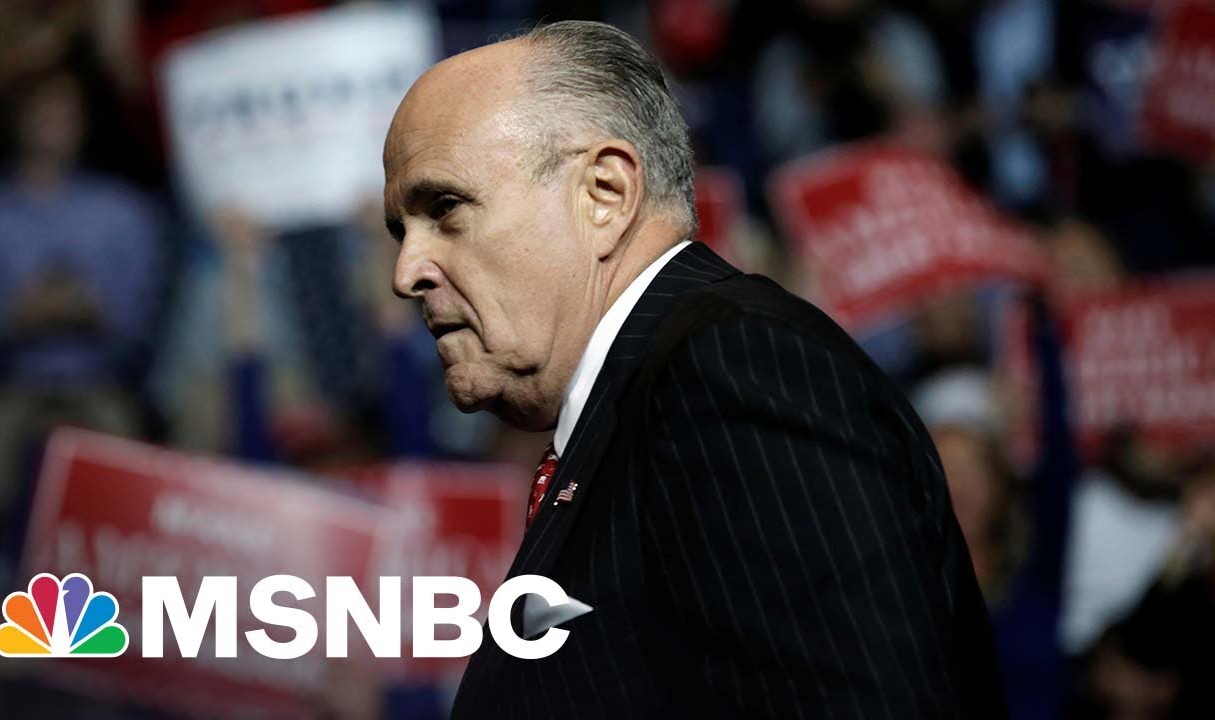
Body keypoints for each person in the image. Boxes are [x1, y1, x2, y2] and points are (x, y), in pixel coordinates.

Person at [382, 20, 1004, 718]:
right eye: (402, 232)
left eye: (446, 208)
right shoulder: (642, 405)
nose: (407, 272)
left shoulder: (733, 369)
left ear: (605, 193)